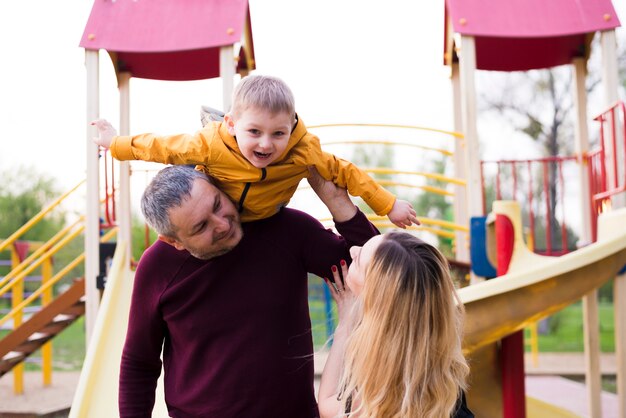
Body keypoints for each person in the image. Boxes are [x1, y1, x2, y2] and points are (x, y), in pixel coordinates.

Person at [119, 165, 380, 417]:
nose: (222, 224)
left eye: (218, 204)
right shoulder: (157, 267)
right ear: (173, 241)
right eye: (201, 226)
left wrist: (339, 204)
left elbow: (381, 274)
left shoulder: (286, 229)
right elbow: (139, 362)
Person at [91, 74, 419, 228]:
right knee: (185, 170)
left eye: (278, 133)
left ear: (291, 125)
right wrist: (116, 143)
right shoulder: (208, 144)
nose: (265, 144)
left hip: (267, 213)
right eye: (254, 132)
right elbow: (161, 147)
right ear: (232, 124)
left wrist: (387, 204)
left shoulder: (304, 151)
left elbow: (347, 172)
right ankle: (215, 118)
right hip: (224, 209)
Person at [318, 232, 474, 418]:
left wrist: (345, 323)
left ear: (375, 297)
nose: (352, 250)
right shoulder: (445, 386)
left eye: (358, 260)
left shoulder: (374, 396)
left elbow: (327, 405)